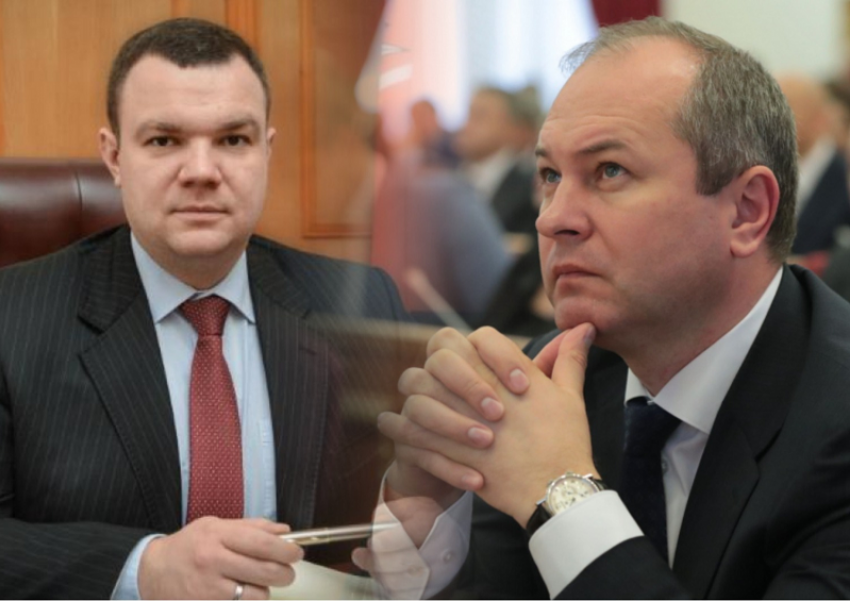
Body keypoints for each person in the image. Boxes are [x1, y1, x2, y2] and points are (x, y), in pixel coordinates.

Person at [370, 17, 850, 599]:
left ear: (746, 211)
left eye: (609, 171)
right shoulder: (554, 378)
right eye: (550, 175)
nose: (553, 218)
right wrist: (429, 513)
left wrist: (562, 493)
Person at [0, 18, 406, 600]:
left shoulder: (358, 304)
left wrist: (425, 532)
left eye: (233, 140)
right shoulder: (11, 318)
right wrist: (143, 569)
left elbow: (391, 517)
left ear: (266, 152)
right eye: (164, 140)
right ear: (114, 157)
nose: (201, 172)